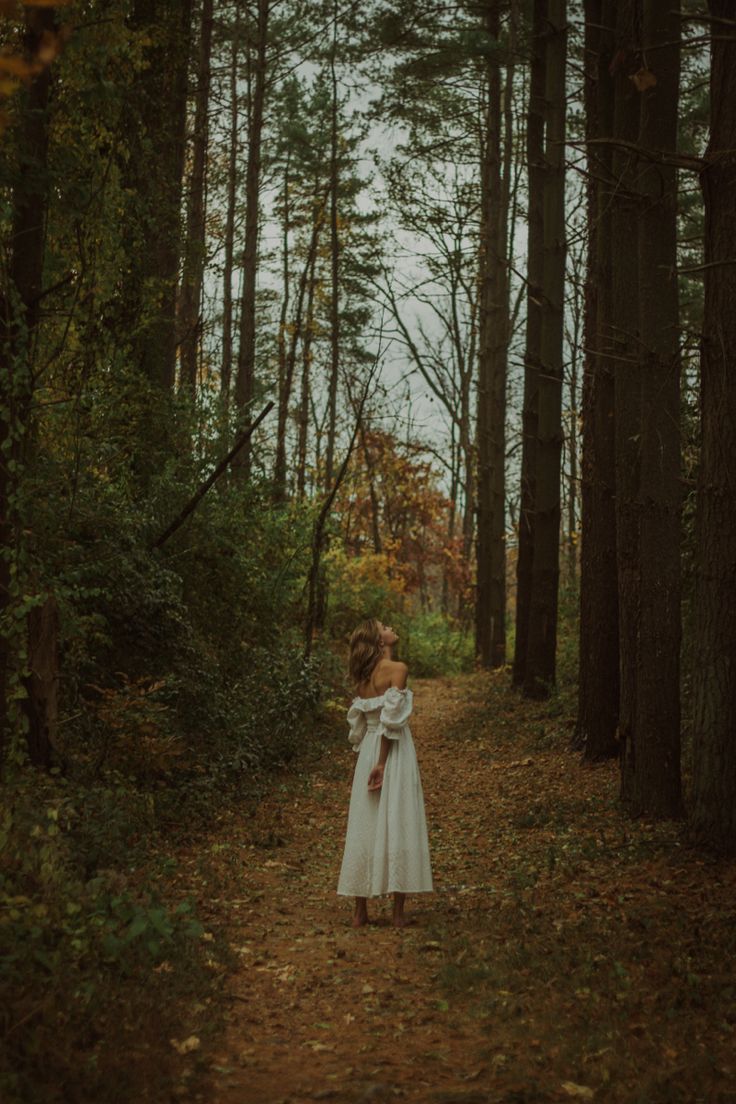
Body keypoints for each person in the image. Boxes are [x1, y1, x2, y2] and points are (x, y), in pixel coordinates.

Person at [336, 617, 433, 927]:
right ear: (380, 641)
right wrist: (381, 762)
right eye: (384, 627)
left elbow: (365, 724)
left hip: (368, 750)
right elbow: (392, 724)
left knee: (366, 822)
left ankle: (359, 912)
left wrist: (370, 757)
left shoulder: (363, 678)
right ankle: (397, 914)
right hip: (391, 752)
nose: (391, 626)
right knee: (398, 818)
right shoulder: (398, 670)